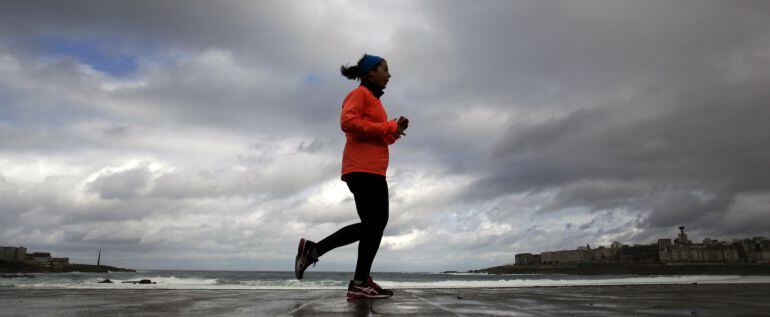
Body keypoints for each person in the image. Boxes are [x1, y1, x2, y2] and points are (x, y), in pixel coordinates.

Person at [294, 53, 409, 301]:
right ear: (369, 73)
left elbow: (380, 135)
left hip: (373, 169)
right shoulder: (359, 95)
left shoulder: (376, 103)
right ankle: (325, 258)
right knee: (374, 225)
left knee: (373, 226)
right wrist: (386, 127)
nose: (389, 74)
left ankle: (358, 279)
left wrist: (394, 131)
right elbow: (348, 122)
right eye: (385, 69)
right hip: (362, 168)